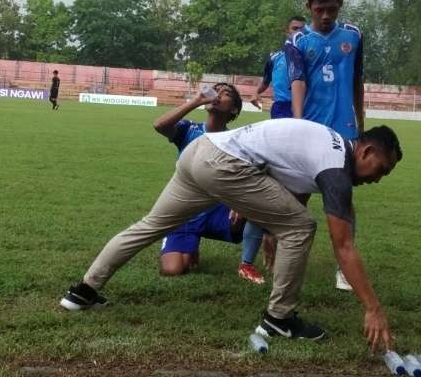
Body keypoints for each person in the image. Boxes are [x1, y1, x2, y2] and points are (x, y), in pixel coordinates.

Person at [61, 119, 401, 353]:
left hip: (200, 152)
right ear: (366, 152)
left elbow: (290, 176)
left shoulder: (330, 144)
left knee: (151, 225)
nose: (378, 179)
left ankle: (83, 291)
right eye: (382, 169)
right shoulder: (337, 169)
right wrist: (373, 308)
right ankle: (279, 319)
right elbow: (343, 245)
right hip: (225, 166)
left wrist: (270, 224)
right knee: (302, 227)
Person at [285, 0, 365, 290]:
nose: (326, 15)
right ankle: (289, 259)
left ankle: (343, 269)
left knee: (343, 197)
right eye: (320, 9)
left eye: (332, 9)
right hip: (311, 129)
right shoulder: (297, 41)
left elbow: (358, 80)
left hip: (345, 129)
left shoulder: (354, 35)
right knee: (297, 196)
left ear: (340, 5)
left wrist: (361, 123)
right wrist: (298, 123)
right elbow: (298, 82)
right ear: (309, 7)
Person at [152, 82, 247, 276]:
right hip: (185, 211)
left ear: (234, 108)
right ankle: (189, 245)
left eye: (225, 93)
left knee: (257, 214)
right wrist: (196, 101)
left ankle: (254, 262)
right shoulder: (189, 129)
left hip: (218, 210)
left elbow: (248, 176)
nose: (218, 94)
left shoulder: (237, 140)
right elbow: (160, 125)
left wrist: (242, 205)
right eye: (216, 90)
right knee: (173, 269)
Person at [240, 16, 307, 283]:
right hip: (282, 108)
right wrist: (257, 93)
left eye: (302, 30)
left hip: (305, 110)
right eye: (294, 29)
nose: (298, 34)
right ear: (286, 30)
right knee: (277, 168)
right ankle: (270, 233)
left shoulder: (308, 56)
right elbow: (266, 79)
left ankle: (279, 232)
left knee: (296, 173)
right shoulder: (277, 56)